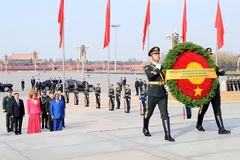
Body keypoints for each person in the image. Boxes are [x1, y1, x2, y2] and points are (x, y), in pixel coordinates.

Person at [143, 46, 175, 142]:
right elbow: (150, 76)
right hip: (152, 93)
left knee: (165, 114)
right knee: (148, 113)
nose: (158, 55)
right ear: (151, 56)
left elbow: (166, 78)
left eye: (158, 54)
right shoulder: (148, 67)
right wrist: (157, 68)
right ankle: (145, 128)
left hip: (162, 93)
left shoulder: (162, 67)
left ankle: (167, 134)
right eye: (155, 54)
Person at [196, 47, 230, 135]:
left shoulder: (215, 65)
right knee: (203, 109)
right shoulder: (201, 66)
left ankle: (221, 128)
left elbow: (222, 73)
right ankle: (198, 124)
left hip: (215, 91)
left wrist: (216, 69)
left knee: (217, 109)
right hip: (206, 92)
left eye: (210, 54)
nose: (209, 56)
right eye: (207, 54)